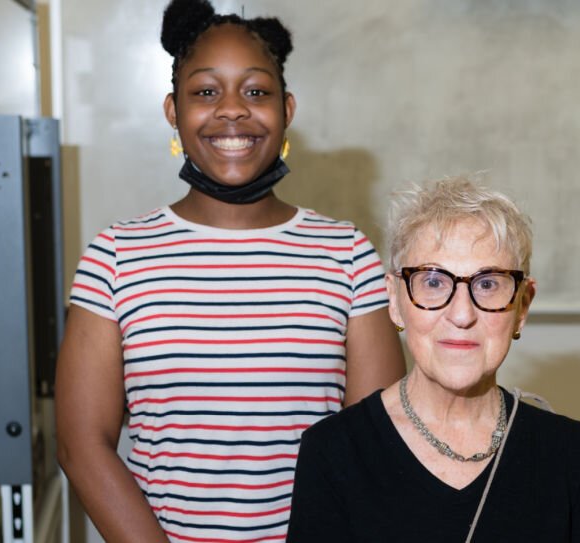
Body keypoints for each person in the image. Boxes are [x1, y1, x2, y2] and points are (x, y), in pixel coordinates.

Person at [55, 1, 405, 541]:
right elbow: (82, 445)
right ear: (173, 110)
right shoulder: (116, 256)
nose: (233, 111)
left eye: (256, 91)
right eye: (206, 92)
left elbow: (372, 445)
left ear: (287, 108)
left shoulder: (346, 253)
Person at [286, 178, 580, 542]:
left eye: (488, 284)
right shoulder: (334, 451)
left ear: (522, 306)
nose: (462, 314)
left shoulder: (568, 454)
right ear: (395, 300)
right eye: (433, 282)